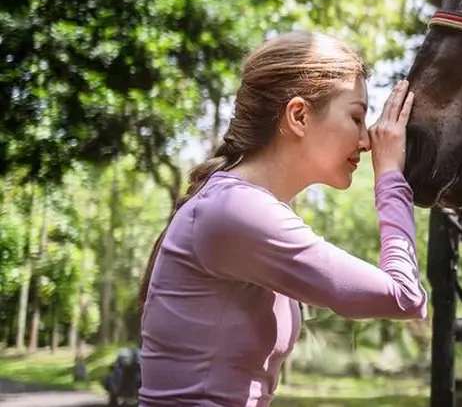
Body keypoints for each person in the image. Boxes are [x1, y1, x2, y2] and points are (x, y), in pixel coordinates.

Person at [137, 30, 428, 407]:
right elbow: (403, 296)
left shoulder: (243, 207)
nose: (367, 141)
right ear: (299, 116)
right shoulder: (234, 210)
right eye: (356, 117)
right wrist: (390, 179)